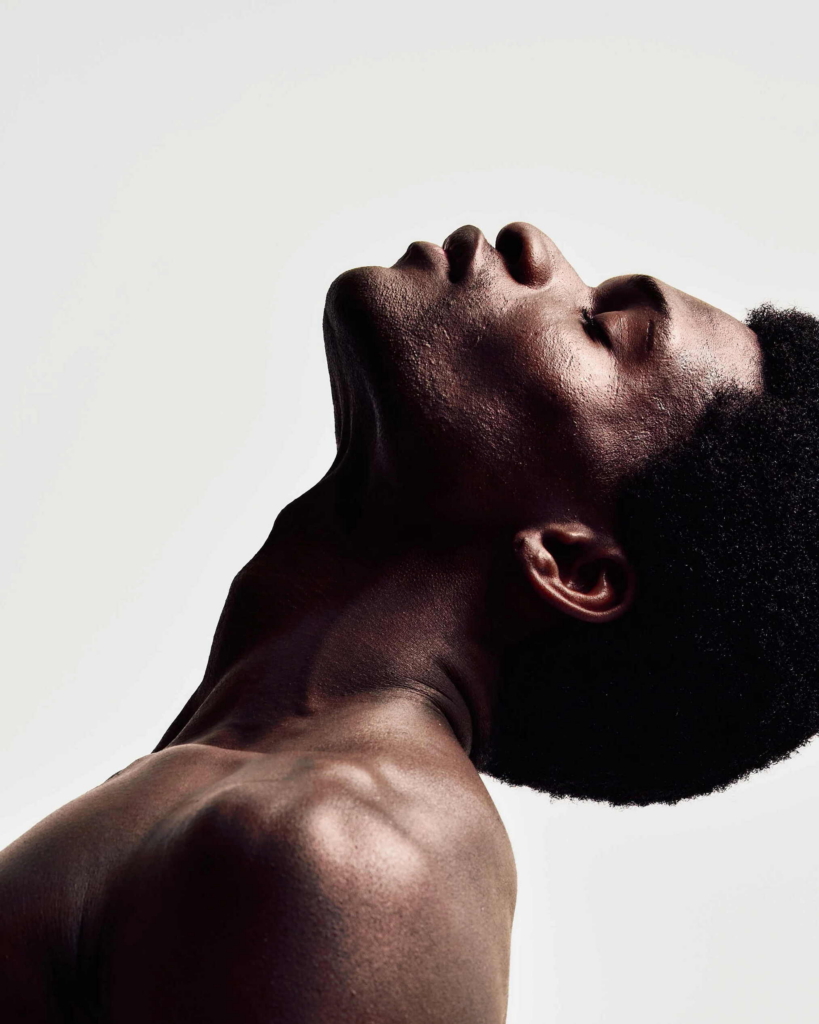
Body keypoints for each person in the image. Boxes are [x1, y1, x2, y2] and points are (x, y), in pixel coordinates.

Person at [1, 222, 818, 1022]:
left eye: (599, 327)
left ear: (568, 566)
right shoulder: (256, 801)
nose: (531, 245)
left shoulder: (353, 848)